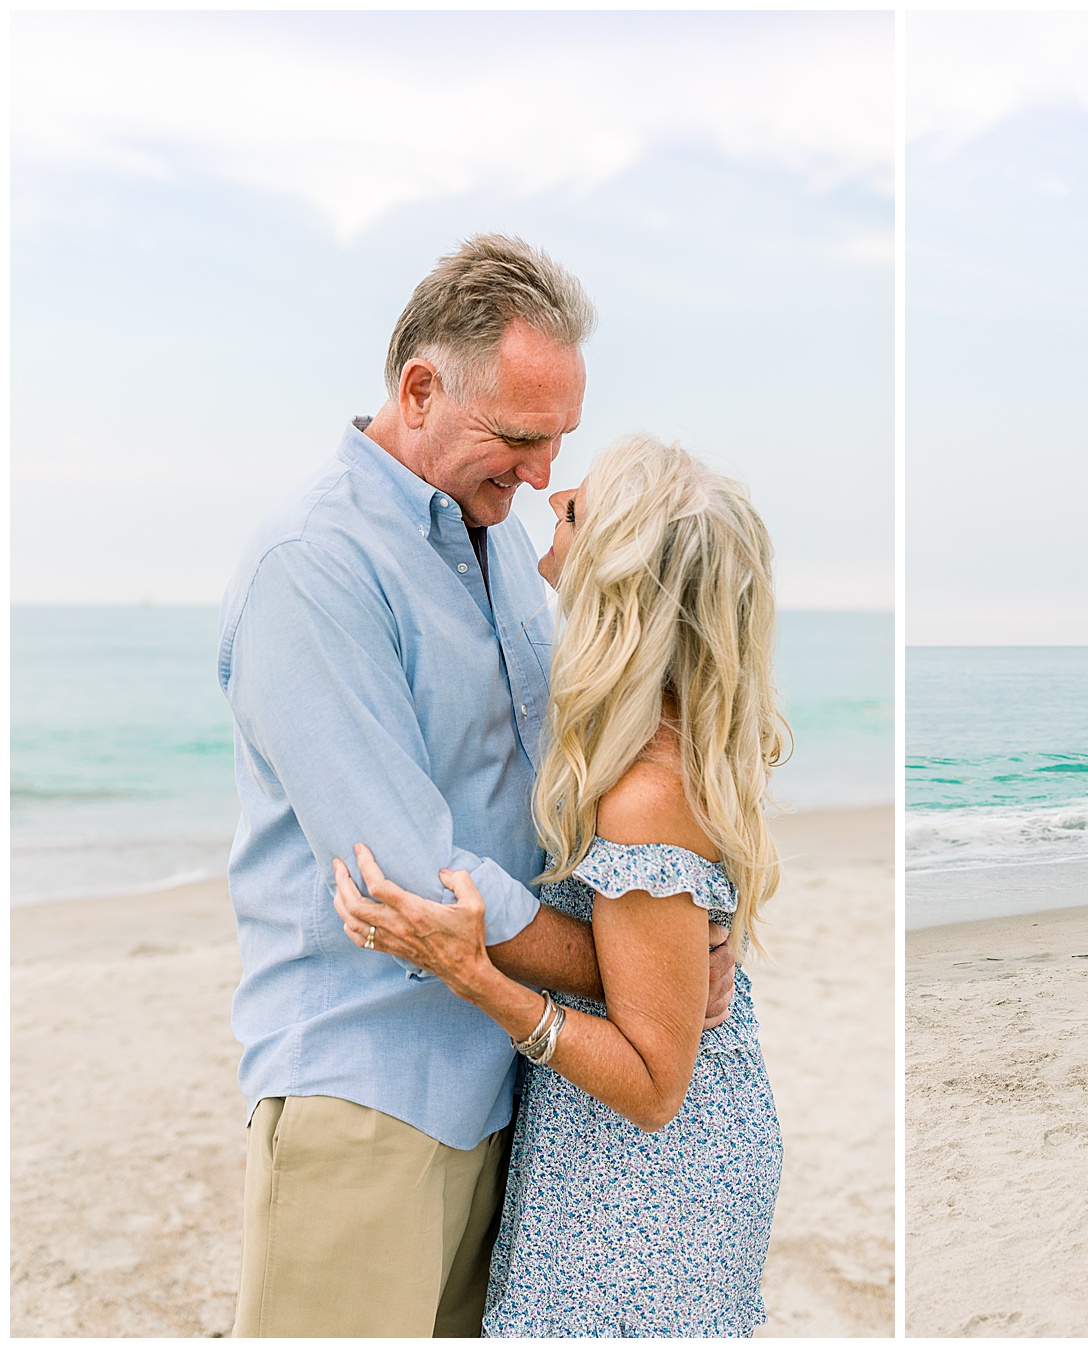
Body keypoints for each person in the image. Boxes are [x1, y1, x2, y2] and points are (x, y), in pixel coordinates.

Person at [218, 236, 734, 1336]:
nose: (544, 474)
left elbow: (560, 792)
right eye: (519, 437)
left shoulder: (496, 539)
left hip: (515, 1095)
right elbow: (411, 877)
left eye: (559, 441)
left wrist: (676, 939)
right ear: (418, 388)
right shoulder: (314, 568)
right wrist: (647, 973)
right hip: (369, 1092)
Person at [333, 435, 786, 1335]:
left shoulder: (647, 789)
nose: (557, 489)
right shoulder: (650, 739)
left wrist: (481, 980)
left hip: (650, 1173)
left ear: (621, 573)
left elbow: (656, 1084)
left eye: (579, 506)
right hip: (616, 1151)